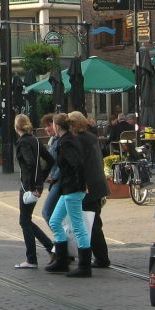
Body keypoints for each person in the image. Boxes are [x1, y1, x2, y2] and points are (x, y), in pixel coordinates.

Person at [47, 112, 93, 278]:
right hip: (68, 189)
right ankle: (61, 260)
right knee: (54, 220)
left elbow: (78, 164)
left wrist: (81, 186)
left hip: (72, 189)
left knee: (78, 226)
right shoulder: (66, 140)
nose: (52, 126)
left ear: (57, 126)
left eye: (52, 124)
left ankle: (84, 266)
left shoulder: (66, 142)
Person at [14, 114, 54, 269]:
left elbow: (30, 163)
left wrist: (32, 186)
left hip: (27, 187)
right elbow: (50, 160)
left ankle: (32, 259)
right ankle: (50, 248)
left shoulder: (23, 142)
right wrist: (42, 179)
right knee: (26, 220)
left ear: (17, 127)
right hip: (36, 185)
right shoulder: (36, 140)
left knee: (24, 221)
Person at [79, 116, 111, 269]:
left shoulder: (80, 140)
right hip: (98, 186)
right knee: (94, 222)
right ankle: (101, 256)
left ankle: (101, 258)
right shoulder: (91, 137)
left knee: (91, 223)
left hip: (89, 188)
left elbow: (81, 164)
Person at [40, 114, 62, 226]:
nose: (46, 128)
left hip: (59, 181)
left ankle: (61, 239)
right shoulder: (53, 141)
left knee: (47, 213)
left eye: (48, 125)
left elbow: (57, 162)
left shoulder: (60, 141)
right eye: (45, 126)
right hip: (56, 180)